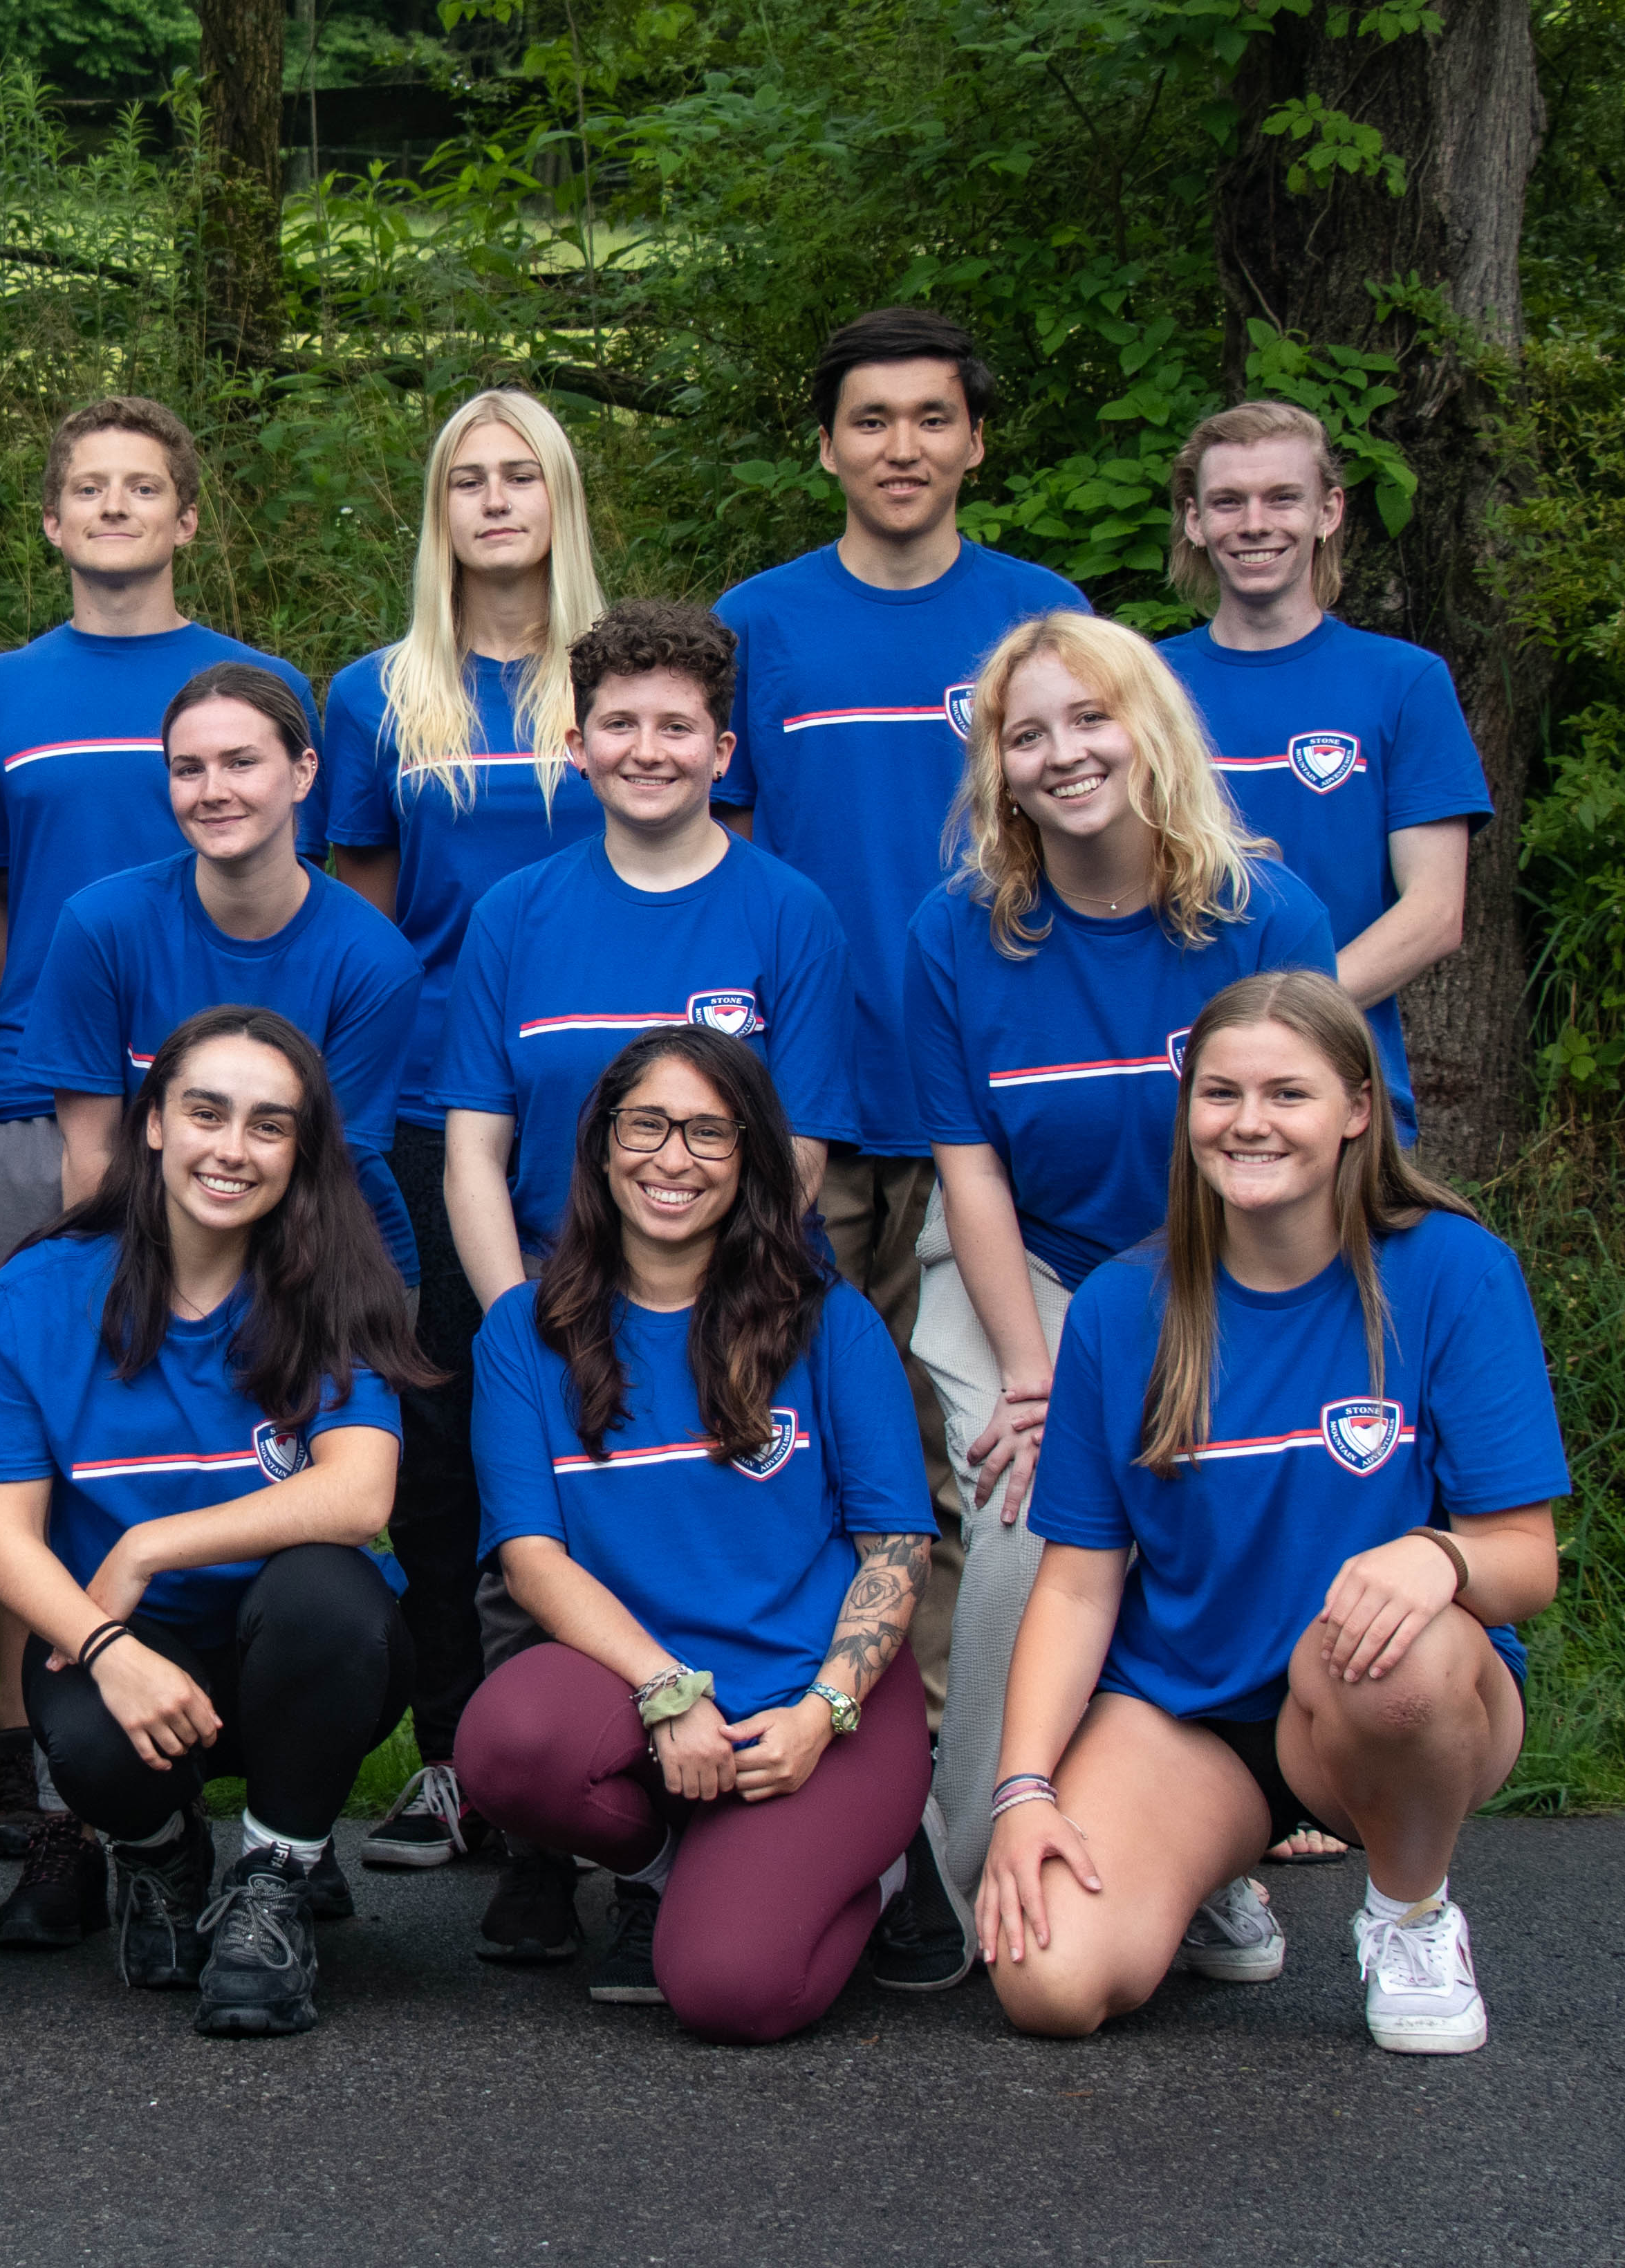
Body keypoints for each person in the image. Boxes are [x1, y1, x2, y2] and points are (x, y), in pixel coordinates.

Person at [976, 969, 1564, 2056]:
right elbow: (1075, 1580)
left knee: (1399, 1659)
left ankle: (1409, 1913)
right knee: (1044, 1983)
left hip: (1379, 1697)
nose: (1247, 1122)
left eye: (1285, 1094)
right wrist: (1020, 1788)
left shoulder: (1450, 1270)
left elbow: (1526, 1559)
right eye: (1218, 1093)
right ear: (1186, 1106)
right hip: (1188, 1711)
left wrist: (1441, 1556)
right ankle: (1203, 1867)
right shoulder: (1120, 1304)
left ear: (1354, 1109)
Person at [429, 596, 860, 1953]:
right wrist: (518, 1323)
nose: (647, 746)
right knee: (530, 1563)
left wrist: (713, 1309)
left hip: (743, 1305)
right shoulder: (515, 913)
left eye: (675, 724)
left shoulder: (784, 909)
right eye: (618, 722)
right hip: (553, 1302)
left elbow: (796, 1149)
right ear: (576, 742)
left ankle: (774, 1816)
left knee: (736, 1549)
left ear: (721, 746)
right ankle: (548, 1846)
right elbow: (472, 1148)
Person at [909, 608, 1341, 1960]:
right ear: (996, 768)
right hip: (1022, 1271)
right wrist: (1039, 1373)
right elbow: (968, 1169)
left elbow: (1295, 1134)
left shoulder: (1262, 908)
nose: (1060, 753)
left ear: (1144, 724)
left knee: (1203, 1500)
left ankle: (1189, 1836)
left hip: (1220, 1267)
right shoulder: (956, 930)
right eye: (1023, 733)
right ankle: (975, 1858)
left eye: (1087, 718)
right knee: (1030, 1510)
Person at [711, 308, 1089, 1800]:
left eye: (930, 418)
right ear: (824, 446)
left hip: (984, 1121)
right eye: (867, 421)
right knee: (800, 1431)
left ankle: (966, 1763)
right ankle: (815, 1746)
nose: (899, 448)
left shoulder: (1037, 617)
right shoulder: (762, 620)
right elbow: (721, 866)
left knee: (977, 1445)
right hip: (805, 1104)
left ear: (974, 440)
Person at [0, 394, 322, 1869]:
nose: (112, 507)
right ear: (50, 520)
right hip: (47, 1108)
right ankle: (27, 1741)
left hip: (229, 1128)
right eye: (84, 487)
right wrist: (41, 1049)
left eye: (141, 486)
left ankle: (264, 1734)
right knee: (34, 1435)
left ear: (182, 517)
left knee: (247, 1409)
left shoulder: (251, 681)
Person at [455, 1028, 934, 2042]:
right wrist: (665, 1691)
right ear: (598, 1144)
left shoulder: (826, 1321)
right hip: (646, 1691)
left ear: (753, 1156)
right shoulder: (522, 1331)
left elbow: (895, 1546)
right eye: (647, 1125)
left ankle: (880, 1866)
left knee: (731, 1988)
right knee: (507, 1742)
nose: (672, 1158)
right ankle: (677, 1862)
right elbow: (531, 1558)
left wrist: (822, 1711)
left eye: (708, 1133)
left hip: (812, 1703)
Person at [0, 1007, 430, 2037]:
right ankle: (160, 1854)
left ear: (300, 1148)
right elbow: (2, 1535)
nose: (231, 1148)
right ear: (153, 1126)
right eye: (205, 1113)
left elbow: (358, 1495)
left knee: (328, 1596)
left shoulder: (335, 1285)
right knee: (81, 1723)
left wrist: (146, 1543)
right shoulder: (36, 1298)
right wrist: (101, 1641)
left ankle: (273, 1873)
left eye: (268, 1124)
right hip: (130, 1645)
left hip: (297, 1652)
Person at [324, 389, 611, 1881]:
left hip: (628, 1122)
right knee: (439, 1445)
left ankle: (612, 1743)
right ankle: (453, 1753)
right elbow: (359, 931)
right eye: (464, 480)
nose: (493, 500)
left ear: (559, 500)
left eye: (520, 476)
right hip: (443, 1119)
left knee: (625, 1424)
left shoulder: (624, 681)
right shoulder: (375, 693)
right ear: (436, 512)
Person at [1158, 400, 1490, 1148]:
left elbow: (1433, 912)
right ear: (1193, 520)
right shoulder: (1143, 685)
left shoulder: (1402, 682)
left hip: (1342, 1088)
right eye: (1226, 502)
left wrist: (1270, 1031)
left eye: (1281, 498)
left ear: (1328, 511)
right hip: (1164, 1080)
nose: (1253, 523)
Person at [29, 661, 418, 1279]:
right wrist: (110, 1309)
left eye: (241, 762)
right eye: (189, 769)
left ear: (302, 772)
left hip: (317, 1267)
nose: (212, 790)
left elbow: (327, 1172)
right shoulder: (101, 926)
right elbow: (93, 1154)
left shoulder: (373, 960)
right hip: (142, 1250)